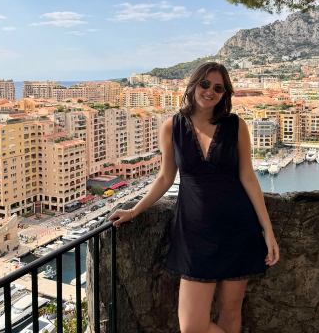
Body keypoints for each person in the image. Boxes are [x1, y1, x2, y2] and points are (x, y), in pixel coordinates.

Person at [109, 62, 279, 333]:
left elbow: (248, 177)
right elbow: (165, 178)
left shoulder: (236, 126)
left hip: (238, 229)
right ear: (193, 84)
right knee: (191, 326)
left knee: (230, 312)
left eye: (218, 88)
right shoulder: (172, 127)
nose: (210, 91)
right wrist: (134, 211)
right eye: (205, 84)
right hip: (194, 234)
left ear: (225, 94)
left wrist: (267, 231)